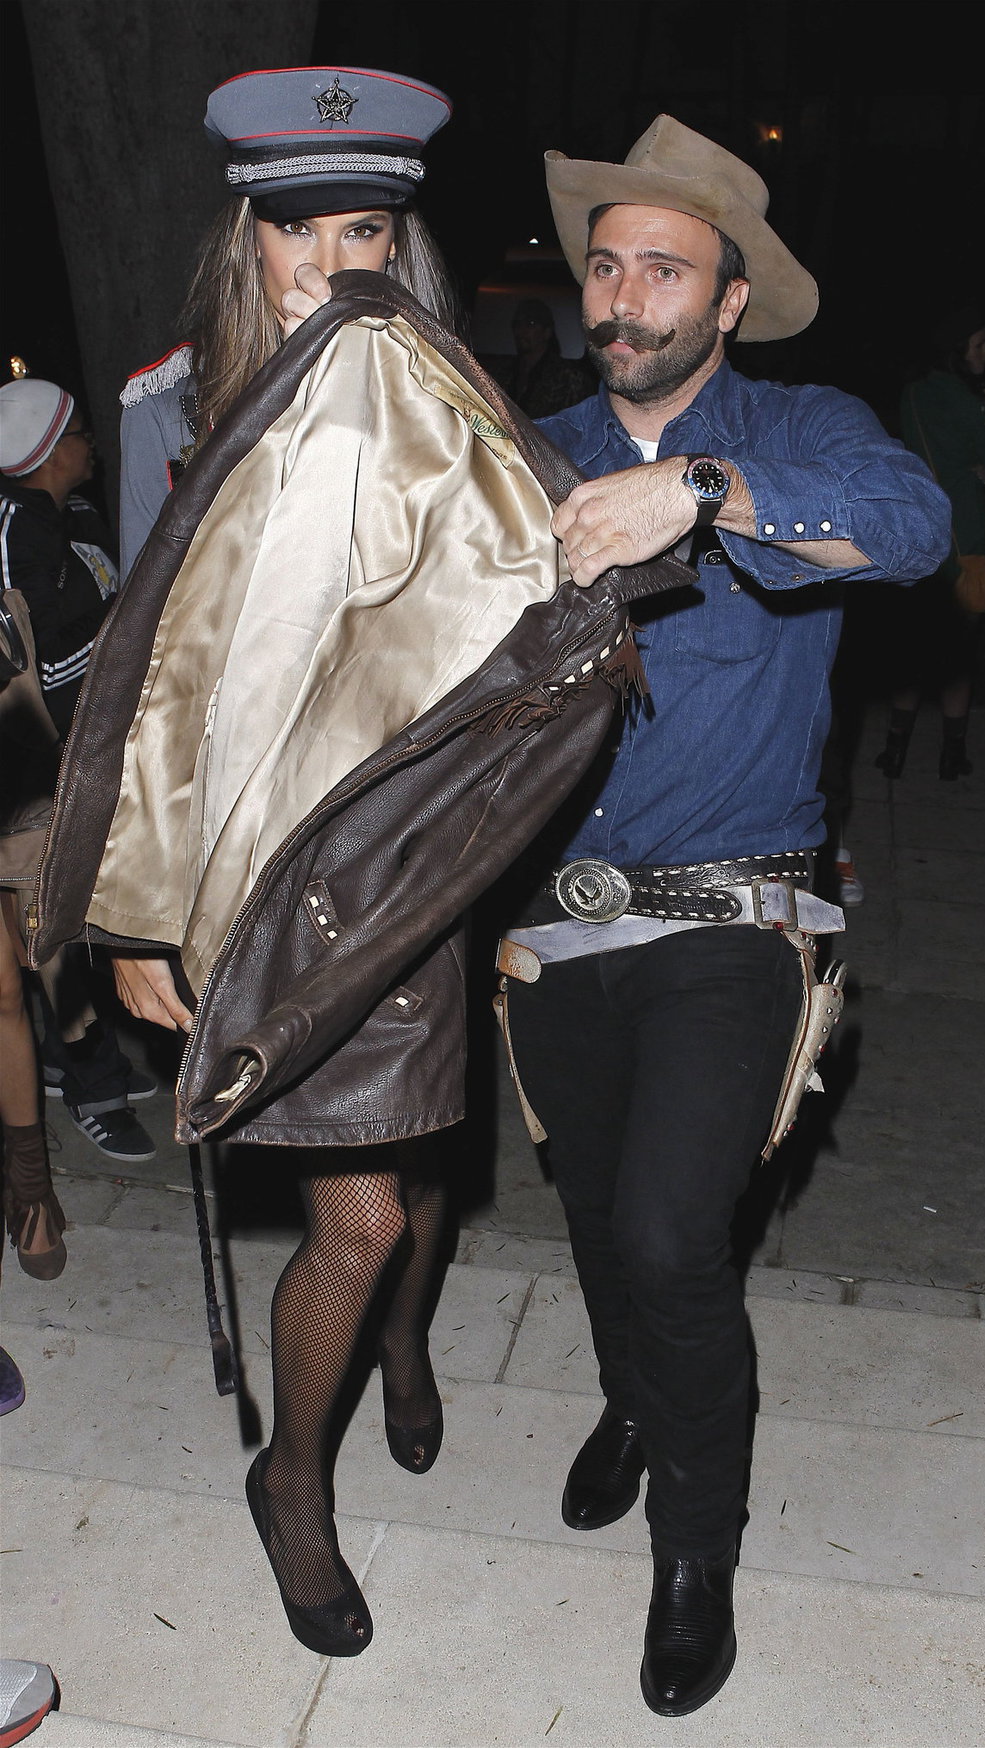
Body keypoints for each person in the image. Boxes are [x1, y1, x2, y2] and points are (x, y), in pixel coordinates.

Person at [498, 117, 949, 1716]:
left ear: (728, 300)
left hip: (729, 920)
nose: (625, 296)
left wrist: (698, 492)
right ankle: (636, 1397)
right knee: (601, 1228)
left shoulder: (797, 430)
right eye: (607, 264)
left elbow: (910, 532)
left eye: (663, 271)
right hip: (549, 927)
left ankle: (695, 1551)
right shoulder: (524, 445)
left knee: (671, 1235)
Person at [112, 65, 461, 1658]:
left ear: (403, 239)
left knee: (420, 1166)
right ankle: (292, 1484)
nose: (335, 265)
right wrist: (133, 915)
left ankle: (395, 1348)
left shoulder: (453, 403)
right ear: (248, 242)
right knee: (364, 1213)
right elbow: (137, 686)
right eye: (300, 233)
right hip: (257, 878)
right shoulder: (166, 416)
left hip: (414, 862)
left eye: (366, 228)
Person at [0, 377, 155, 1191]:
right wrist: (122, 636)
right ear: (54, 449)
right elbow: (41, 669)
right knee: (50, 927)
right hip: (30, 768)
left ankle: (79, 1063)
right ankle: (89, 1085)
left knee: (77, 918)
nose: (93, 444)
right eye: (82, 434)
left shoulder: (72, 517)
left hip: (76, 754)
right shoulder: (17, 534)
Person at [873, 307, 985, 780]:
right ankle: (952, 756)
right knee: (959, 655)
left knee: (912, 650)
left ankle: (895, 752)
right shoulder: (971, 401)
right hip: (966, 533)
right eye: (979, 346)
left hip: (919, 527)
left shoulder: (915, 393)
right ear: (959, 352)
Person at [490, 297, 593, 420]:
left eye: (531, 324)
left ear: (547, 332)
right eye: (517, 324)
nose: (521, 331)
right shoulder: (502, 374)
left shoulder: (569, 378)